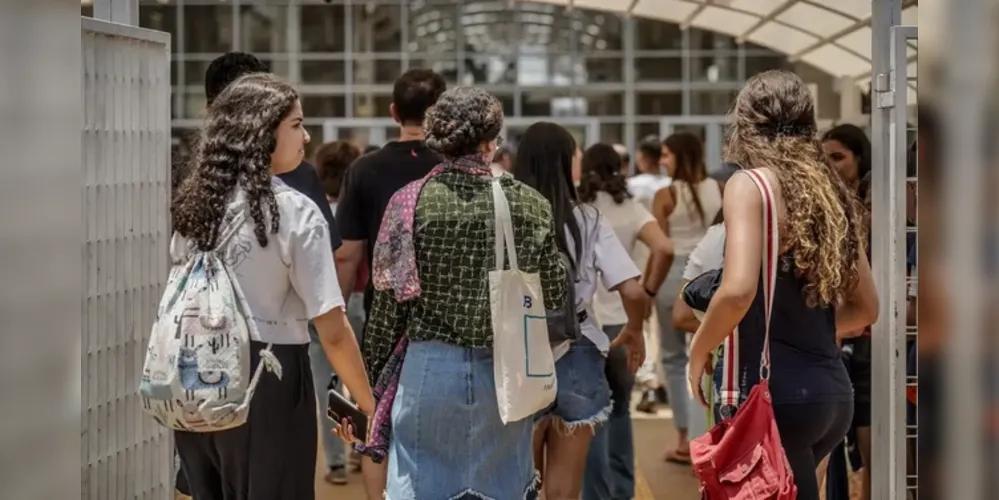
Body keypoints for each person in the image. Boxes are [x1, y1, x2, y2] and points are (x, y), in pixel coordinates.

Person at [170, 73, 374, 500]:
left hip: (195, 375)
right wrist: (370, 407)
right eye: (297, 124)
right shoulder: (295, 213)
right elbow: (333, 332)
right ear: (263, 133)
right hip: (270, 378)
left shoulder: (197, 205)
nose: (307, 135)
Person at [358, 87, 567, 499]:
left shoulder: (408, 203)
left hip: (428, 371)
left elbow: (387, 307)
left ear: (438, 140)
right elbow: (556, 290)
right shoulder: (529, 203)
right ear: (492, 140)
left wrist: (369, 382)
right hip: (507, 372)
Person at [686, 70, 878, 500]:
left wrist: (700, 351)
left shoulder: (749, 185)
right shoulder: (831, 192)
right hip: (830, 393)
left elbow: (737, 290)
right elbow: (866, 308)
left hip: (772, 394)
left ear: (744, 121)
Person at [514, 126, 648, 500]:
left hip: (521, 356)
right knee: (564, 489)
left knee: (525, 484)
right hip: (579, 353)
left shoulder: (507, 218)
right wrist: (634, 329)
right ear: (563, 161)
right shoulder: (588, 219)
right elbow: (633, 290)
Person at [333, 69, 445, 497]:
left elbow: (347, 254)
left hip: (383, 319)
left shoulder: (365, 170)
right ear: (438, 113)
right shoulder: (452, 168)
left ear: (393, 111)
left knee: (375, 421)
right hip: (442, 321)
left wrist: (338, 316)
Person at [578, 143, 673, 500]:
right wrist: (646, 289)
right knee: (620, 410)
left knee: (591, 413)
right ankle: (623, 491)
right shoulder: (631, 208)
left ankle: (596, 494)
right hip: (623, 323)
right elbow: (664, 248)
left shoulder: (579, 210)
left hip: (586, 324)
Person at [204, 52, 342, 253]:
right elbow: (323, 262)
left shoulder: (194, 184)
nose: (306, 137)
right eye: (295, 125)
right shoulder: (298, 185)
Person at [651, 131, 723, 464]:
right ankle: (707, 435)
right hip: (709, 275)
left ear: (681, 155)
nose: (661, 161)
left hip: (672, 277)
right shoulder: (719, 189)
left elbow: (661, 247)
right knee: (707, 352)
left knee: (672, 358)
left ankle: (683, 438)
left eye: (666, 155)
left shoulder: (665, 195)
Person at [821, 124, 874, 500]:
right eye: (824, 158)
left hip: (871, 333)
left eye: (838, 157)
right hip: (840, 329)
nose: (830, 166)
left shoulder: (875, 202)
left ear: (860, 157)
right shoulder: (824, 203)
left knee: (870, 435)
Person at [309, 140, 364, 485]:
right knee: (361, 380)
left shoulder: (312, 212)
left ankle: (336, 462)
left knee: (326, 386)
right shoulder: (357, 211)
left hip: (320, 305)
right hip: (360, 300)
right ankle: (360, 445)